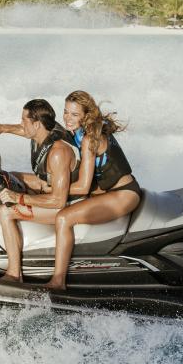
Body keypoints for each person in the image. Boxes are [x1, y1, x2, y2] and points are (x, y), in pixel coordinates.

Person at [46, 91, 141, 290]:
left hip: (124, 193)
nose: (67, 118)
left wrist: (53, 189)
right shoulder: (78, 131)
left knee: (64, 218)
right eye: (65, 112)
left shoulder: (90, 139)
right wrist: (0, 128)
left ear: (85, 116)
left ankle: (58, 281)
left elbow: (81, 187)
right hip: (106, 190)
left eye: (74, 115)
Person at [0, 99, 80, 282]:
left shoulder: (58, 152)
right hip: (52, 188)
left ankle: (14, 274)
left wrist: (19, 198)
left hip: (69, 204)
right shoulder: (43, 133)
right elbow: (24, 131)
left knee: (6, 211)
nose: (21, 124)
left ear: (37, 124)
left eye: (24, 120)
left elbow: (58, 201)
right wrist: (0, 128)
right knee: (11, 177)